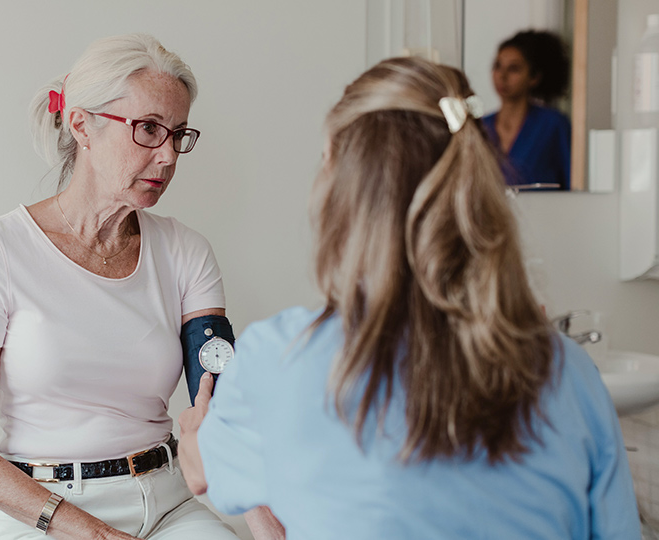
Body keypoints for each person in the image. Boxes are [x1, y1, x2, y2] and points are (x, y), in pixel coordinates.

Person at [178, 57, 641, 539]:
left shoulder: (280, 357)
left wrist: (197, 429)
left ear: (339, 189)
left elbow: (201, 472)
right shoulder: (565, 371)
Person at [0, 33, 243, 540]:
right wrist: (92, 533)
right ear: (81, 123)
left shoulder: (186, 251)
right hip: (41, 511)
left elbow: (218, 399)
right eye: (148, 129)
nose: (168, 157)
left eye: (178, 134)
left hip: (166, 504)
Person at [483, 30, 572, 189]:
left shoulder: (553, 125)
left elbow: (571, 180)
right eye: (498, 66)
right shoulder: (481, 127)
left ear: (534, 77)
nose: (502, 76)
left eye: (513, 69)